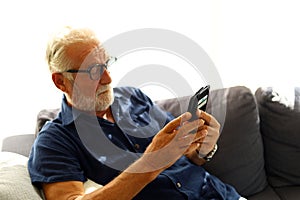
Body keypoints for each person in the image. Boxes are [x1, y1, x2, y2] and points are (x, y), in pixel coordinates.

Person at [28, 26, 244, 200]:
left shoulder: (133, 96)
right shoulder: (55, 141)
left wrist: (204, 149)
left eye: (106, 64)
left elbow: (186, 155)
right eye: (94, 70)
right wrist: (150, 162)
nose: (108, 79)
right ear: (61, 81)